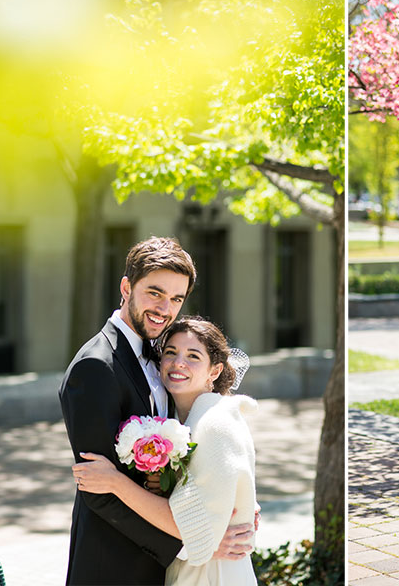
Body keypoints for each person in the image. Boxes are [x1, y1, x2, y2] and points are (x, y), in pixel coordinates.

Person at [59, 237, 252, 585]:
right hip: (114, 565)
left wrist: (229, 508)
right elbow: (98, 491)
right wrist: (193, 540)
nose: (165, 308)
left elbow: (198, 458)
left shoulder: (163, 357)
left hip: (160, 565)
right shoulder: (95, 366)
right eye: (155, 292)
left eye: (176, 298)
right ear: (126, 287)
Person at [73, 317, 258, 586]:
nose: (178, 363)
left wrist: (115, 482)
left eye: (193, 356)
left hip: (213, 575)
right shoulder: (182, 421)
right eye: (170, 352)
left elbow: (196, 532)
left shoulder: (214, 423)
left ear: (215, 371)